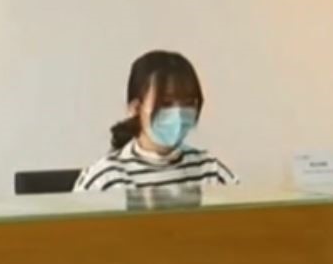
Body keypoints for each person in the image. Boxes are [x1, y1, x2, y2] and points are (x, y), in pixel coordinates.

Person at [74, 50, 237, 191]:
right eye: (166, 103)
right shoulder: (105, 179)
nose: (178, 113)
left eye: (188, 103)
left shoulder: (211, 172)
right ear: (135, 108)